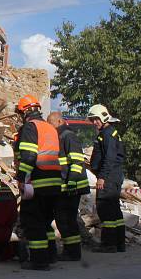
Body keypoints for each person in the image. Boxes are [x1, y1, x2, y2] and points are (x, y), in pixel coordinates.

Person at [14, 95, 62, 271]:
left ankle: (39, 261)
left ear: (25, 111)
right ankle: (50, 255)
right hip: (54, 183)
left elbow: (28, 156)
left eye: (20, 112)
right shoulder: (50, 128)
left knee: (33, 222)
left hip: (38, 182)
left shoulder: (30, 127)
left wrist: (21, 178)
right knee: (45, 221)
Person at [48, 112, 89, 261]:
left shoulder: (67, 136)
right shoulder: (60, 136)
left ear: (59, 121)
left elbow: (77, 161)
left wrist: (71, 181)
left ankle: (72, 252)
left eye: (50, 123)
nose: (49, 127)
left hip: (72, 186)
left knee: (66, 220)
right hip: (66, 185)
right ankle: (71, 251)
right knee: (64, 219)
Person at [87, 104, 126, 253]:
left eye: (96, 119)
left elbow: (109, 157)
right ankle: (119, 244)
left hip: (108, 177)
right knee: (115, 211)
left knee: (106, 211)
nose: (94, 123)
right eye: (92, 120)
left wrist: (102, 177)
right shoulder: (110, 132)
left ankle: (109, 244)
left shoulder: (108, 134)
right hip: (114, 176)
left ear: (103, 117)